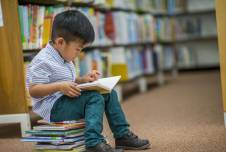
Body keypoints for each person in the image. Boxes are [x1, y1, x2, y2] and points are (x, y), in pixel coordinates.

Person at [26, 10, 150, 152]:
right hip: (53, 108)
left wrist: (82, 80)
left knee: (109, 93)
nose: (78, 53)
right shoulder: (43, 61)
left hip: (66, 99)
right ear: (60, 42)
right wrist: (60, 86)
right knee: (94, 98)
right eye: (77, 49)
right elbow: (34, 90)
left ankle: (122, 136)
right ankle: (93, 142)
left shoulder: (63, 56)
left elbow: (67, 81)